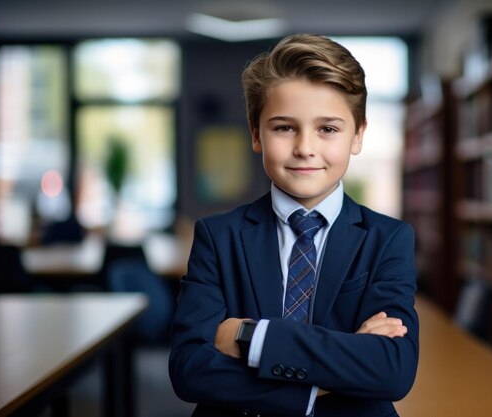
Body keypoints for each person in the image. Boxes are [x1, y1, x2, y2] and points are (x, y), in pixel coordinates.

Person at [169, 33, 418, 417]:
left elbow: (393, 370)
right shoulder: (218, 237)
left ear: (358, 135)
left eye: (328, 129)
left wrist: (251, 337)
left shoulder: (388, 240)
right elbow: (189, 369)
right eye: (284, 128)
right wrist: (323, 378)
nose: (305, 147)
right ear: (256, 134)